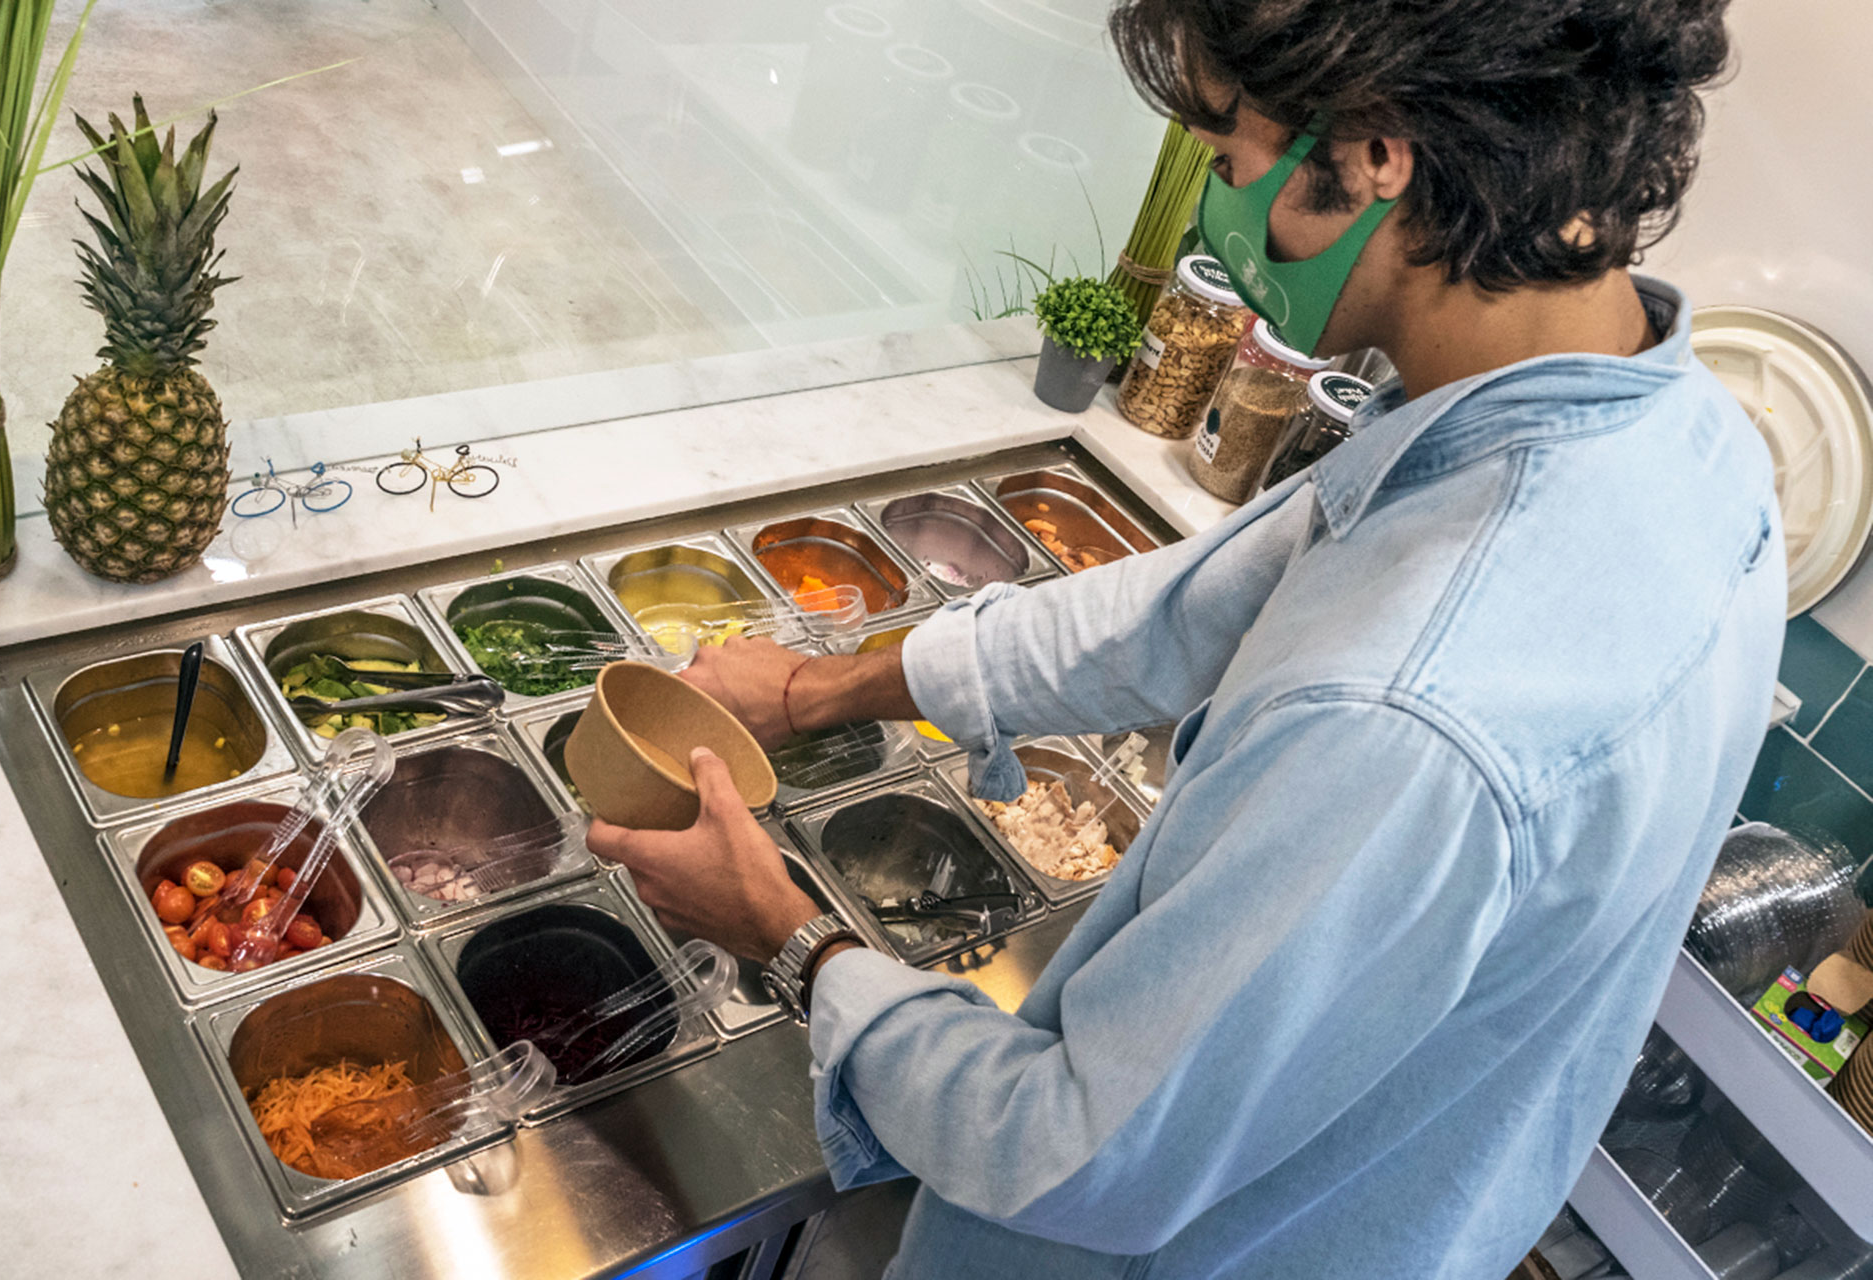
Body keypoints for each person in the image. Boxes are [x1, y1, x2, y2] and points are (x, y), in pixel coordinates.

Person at [587, 0, 1783, 1274]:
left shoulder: (1406, 714)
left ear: (1375, 153)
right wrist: (827, 687)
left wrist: (789, 931)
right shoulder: (1677, 433)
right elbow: (1194, 604)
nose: (1218, 205)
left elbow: (1078, 1148)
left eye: (1228, 159)